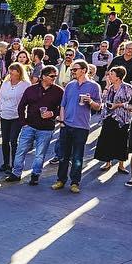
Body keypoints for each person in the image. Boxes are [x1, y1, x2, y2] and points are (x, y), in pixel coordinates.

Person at [4, 66, 62, 185]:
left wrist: (52, 113)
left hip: (47, 128)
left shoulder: (59, 91)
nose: (54, 78)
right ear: (43, 77)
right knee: (21, 151)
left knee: (39, 154)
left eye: (55, 76)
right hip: (29, 125)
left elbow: (62, 108)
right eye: (52, 76)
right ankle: (16, 173)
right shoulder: (31, 89)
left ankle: (35, 175)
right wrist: (23, 122)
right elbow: (21, 106)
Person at [51, 60, 101, 193]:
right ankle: (61, 180)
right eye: (72, 69)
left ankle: (75, 182)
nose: (72, 71)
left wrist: (90, 101)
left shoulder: (94, 86)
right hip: (66, 125)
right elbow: (63, 104)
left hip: (82, 126)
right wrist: (61, 122)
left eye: (75, 69)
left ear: (84, 70)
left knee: (77, 156)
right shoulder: (70, 86)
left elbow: (98, 106)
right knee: (63, 155)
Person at [95, 66, 132, 171]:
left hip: (122, 119)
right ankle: (107, 162)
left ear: (118, 77)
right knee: (107, 140)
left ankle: (121, 165)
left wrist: (118, 105)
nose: (109, 76)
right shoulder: (110, 88)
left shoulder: (127, 88)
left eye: (111, 74)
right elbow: (103, 99)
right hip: (109, 116)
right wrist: (107, 86)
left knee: (121, 141)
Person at [0, 62, 29, 173]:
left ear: (20, 74)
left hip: (17, 116)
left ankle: (15, 165)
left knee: (13, 140)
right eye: (11, 74)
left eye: (15, 74)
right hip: (5, 115)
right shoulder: (5, 84)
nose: (12, 76)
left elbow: (28, 101)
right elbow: (0, 99)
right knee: (5, 141)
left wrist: (27, 117)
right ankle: (6, 164)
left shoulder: (25, 84)